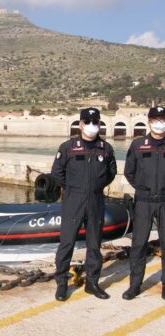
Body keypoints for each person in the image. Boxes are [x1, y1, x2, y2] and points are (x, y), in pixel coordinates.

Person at [51, 107, 117, 301]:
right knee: (67, 243)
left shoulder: (106, 148)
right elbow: (57, 172)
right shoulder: (67, 147)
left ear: (99, 124)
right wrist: (73, 188)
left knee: (94, 244)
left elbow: (111, 173)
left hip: (96, 200)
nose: (91, 125)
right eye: (87, 122)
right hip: (74, 200)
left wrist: (95, 186)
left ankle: (92, 283)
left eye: (95, 122)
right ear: (80, 124)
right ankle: (62, 284)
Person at [122, 106, 165, 300]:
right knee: (139, 245)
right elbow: (129, 171)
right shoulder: (138, 144)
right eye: (156, 119)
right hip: (143, 203)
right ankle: (135, 285)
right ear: (149, 122)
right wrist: (142, 188)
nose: (159, 123)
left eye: (162, 119)